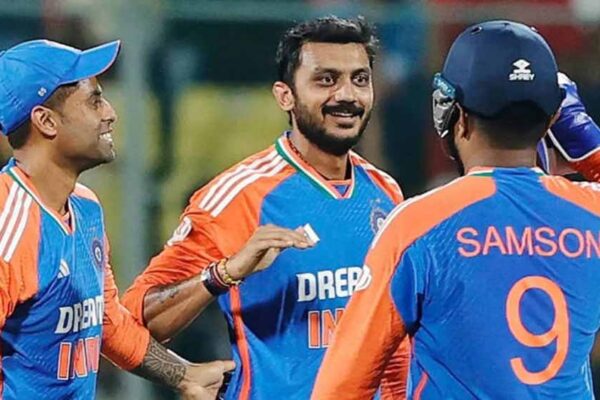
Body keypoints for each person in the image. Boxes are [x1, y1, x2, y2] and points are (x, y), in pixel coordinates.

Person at [121, 16, 409, 399]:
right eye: (326, 80)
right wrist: (224, 274)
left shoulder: (385, 192)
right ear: (285, 96)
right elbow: (134, 319)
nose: (347, 95)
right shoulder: (237, 196)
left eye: (360, 79)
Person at [312, 20, 600, 399]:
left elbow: (339, 389)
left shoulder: (418, 224)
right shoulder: (592, 212)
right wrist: (589, 147)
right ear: (551, 120)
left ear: (455, 116)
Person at [0, 39, 234, 400]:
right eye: (94, 100)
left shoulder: (85, 207)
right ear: (46, 121)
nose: (110, 112)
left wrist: (184, 375)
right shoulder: (9, 226)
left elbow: (107, 320)